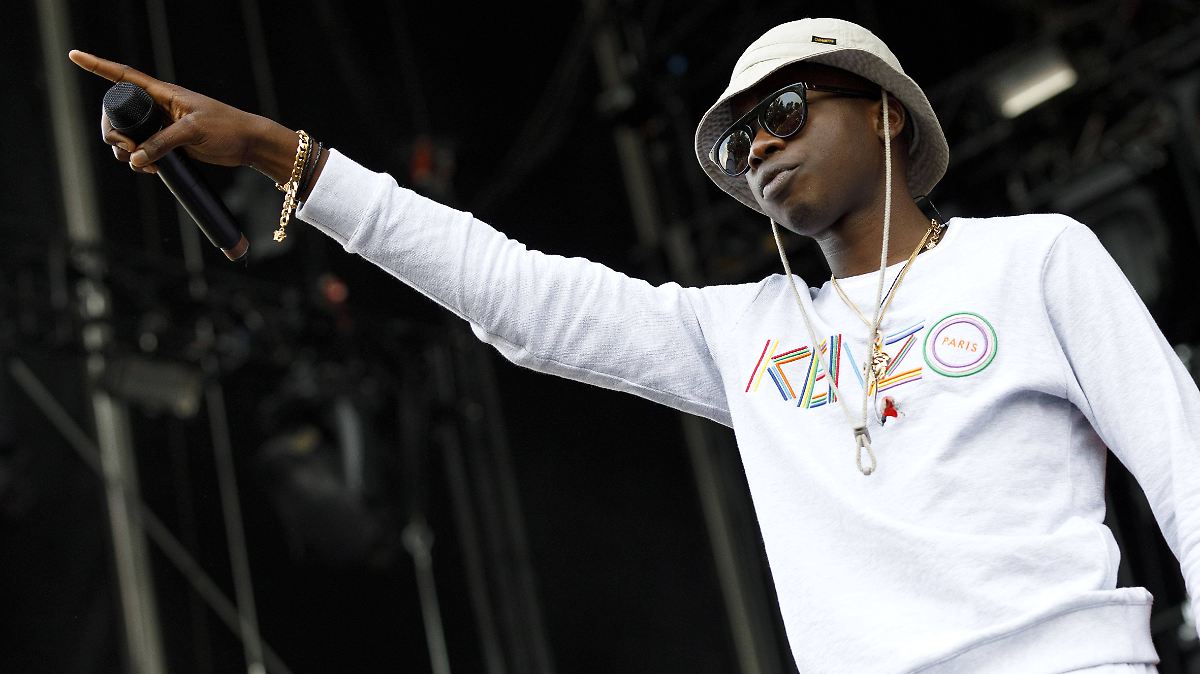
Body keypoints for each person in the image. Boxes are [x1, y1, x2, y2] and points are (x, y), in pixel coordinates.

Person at [70, 16, 1199, 674]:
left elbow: (1185, 465)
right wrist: (282, 154)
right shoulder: (748, 330)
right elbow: (517, 294)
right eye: (741, 140)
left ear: (886, 111)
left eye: (786, 112)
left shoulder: (1034, 259)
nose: (761, 146)